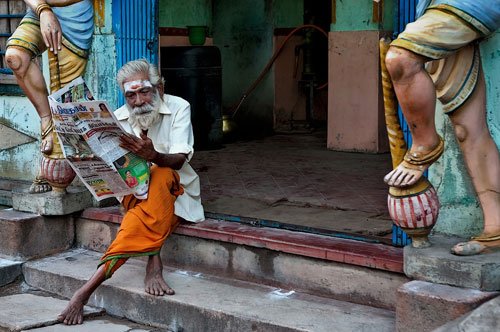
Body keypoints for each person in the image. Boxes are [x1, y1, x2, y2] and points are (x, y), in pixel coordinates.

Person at [57, 59, 205, 325]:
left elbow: (181, 160)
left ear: (159, 87)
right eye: (131, 94)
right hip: (134, 192)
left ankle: (86, 289)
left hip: (176, 190)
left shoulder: (179, 107)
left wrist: (154, 155)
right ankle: (153, 261)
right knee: (145, 192)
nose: (138, 100)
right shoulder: (118, 117)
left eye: (144, 91)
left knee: (159, 176)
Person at [384, 0, 500, 255]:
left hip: (467, 3)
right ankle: (496, 230)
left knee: (400, 58)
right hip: (438, 6)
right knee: (467, 130)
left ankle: (425, 144)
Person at [5, 0, 94, 192]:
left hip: (75, 15)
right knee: (15, 56)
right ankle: (46, 120)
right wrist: (43, 10)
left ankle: (56, 178)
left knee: (65, 98)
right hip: (39, 10)